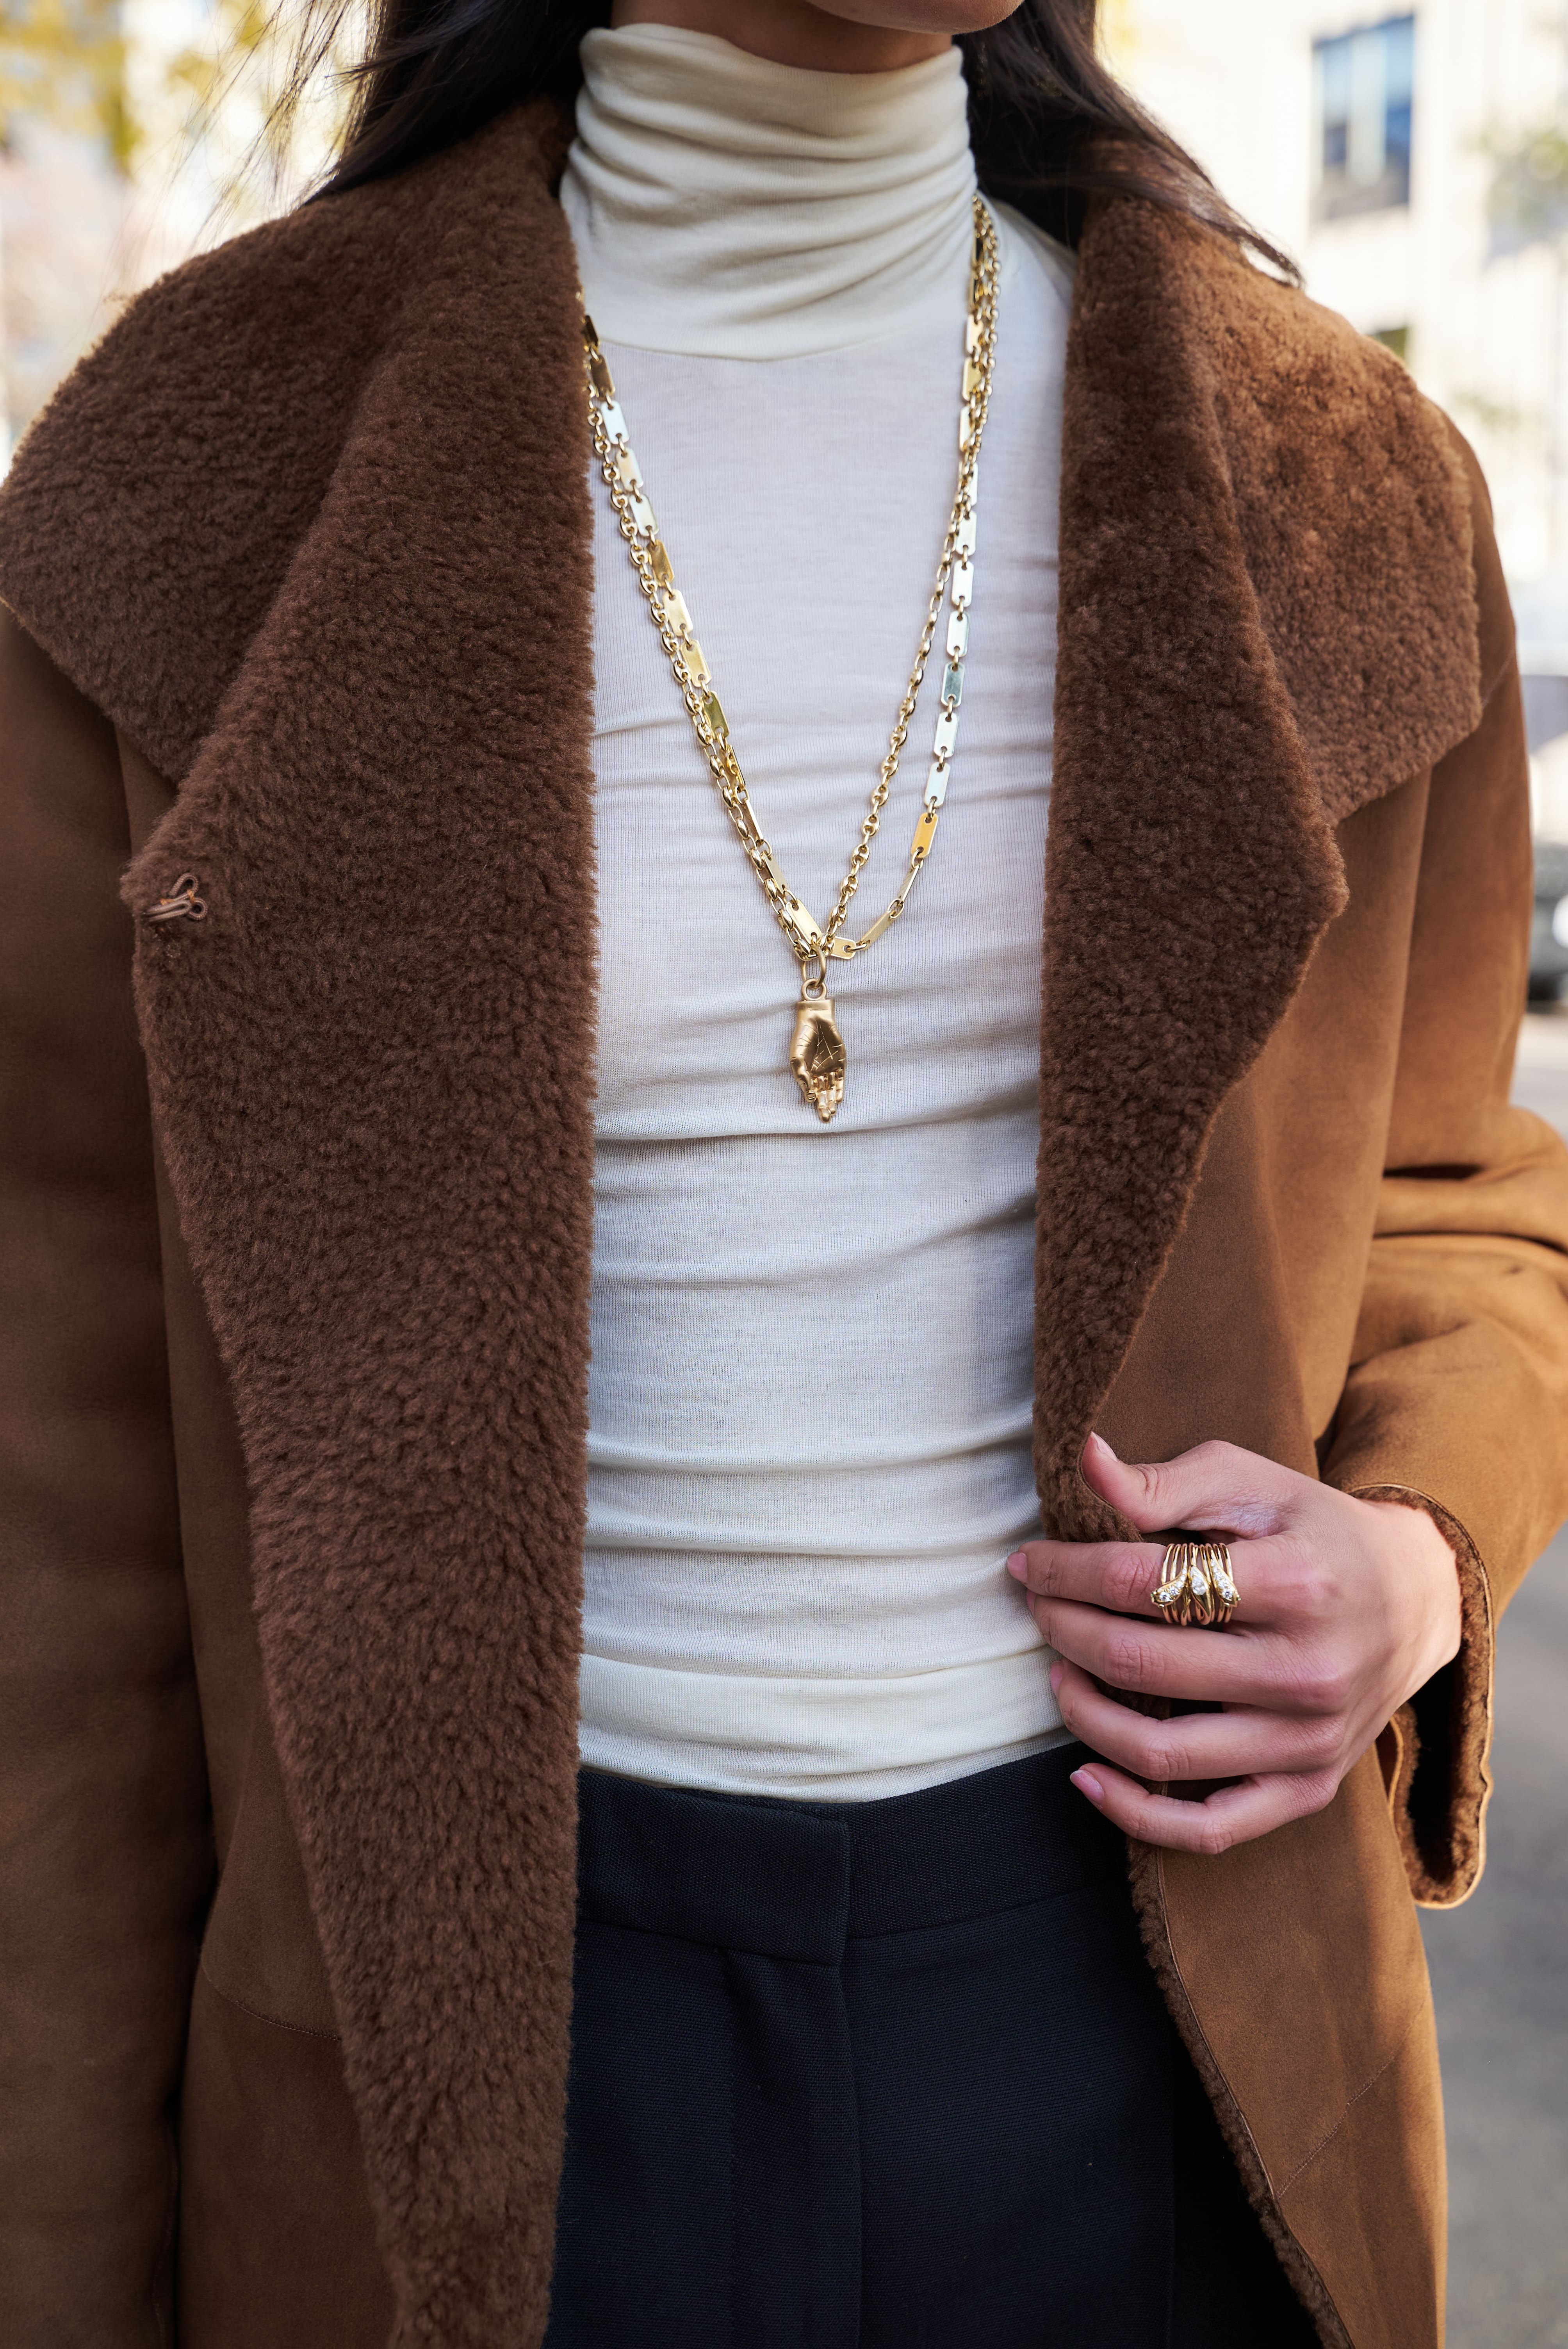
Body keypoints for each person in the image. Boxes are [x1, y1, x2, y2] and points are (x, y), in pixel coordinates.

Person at [2, 0, 1564, 2340]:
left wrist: (1420, 1551)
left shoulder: (1338, 482)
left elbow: (1467, 1189)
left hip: (1163, 2040)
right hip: (466, 2097)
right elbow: (61, 1553)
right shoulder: (195, 479)